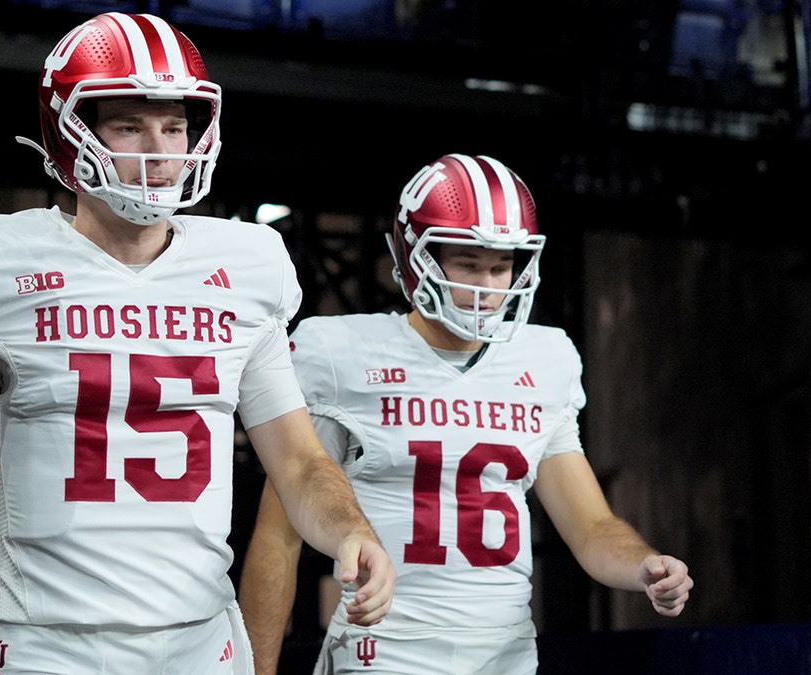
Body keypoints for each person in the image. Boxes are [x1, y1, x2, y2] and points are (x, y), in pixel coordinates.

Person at [0, 11, 395, 675]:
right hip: (48, 646)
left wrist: (351, 527)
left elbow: (298, 462)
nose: (160, 149)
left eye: (174, 125)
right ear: (69, 134)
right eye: (128, 125)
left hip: (201, 642)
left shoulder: (248, 266)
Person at [239, 154, 695, 674]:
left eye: (501, 266)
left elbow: (590, 526)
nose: (487, 286)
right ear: (416, 259)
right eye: (468, 264)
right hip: (386, 650)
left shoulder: (547, 359)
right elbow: (279, 538)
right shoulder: (339, 354)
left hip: (505, 654)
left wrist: (643, 565)